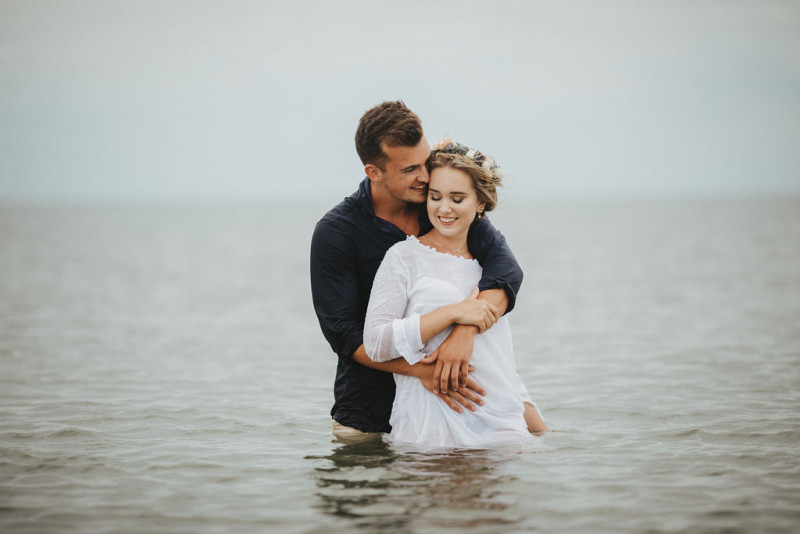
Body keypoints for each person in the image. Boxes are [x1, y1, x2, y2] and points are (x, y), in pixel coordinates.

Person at [310, 101, 524, 440]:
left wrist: (463, 334)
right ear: (374, 172)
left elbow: (506, 271)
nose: (424, 177)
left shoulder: (440, 206)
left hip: (455, 413)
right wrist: (421, 372)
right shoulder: (336, 233)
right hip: (367, 419)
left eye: (424, 162)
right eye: (409, 170)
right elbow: (344, 334)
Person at [363, 139, 548, 447]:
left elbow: (496, 361)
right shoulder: (403, 258)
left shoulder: (488, 272)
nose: (444, 208)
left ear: (480, 204)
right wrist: (452, 312)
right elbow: (376, 343)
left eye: (457, 198)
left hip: (499, 431)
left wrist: (539, 429)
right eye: (435, 197)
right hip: (430, 433)